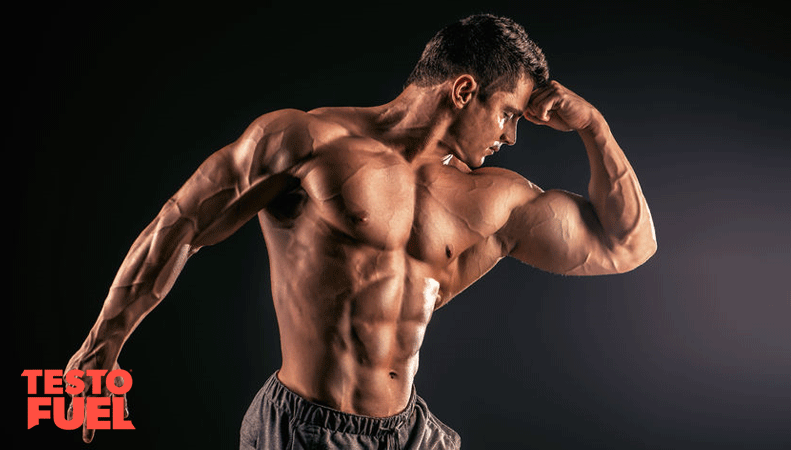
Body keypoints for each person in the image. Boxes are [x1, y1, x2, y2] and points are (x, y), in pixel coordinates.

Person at [65, 14, 656, 449]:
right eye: (507, 113)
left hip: (408, 432)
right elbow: (182, 223)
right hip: (304, 432)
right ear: (465, 90)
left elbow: (628, 244)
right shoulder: (307, 142)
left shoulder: (499, 197)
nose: (512, 135)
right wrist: (102, 346)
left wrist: (594, 128)